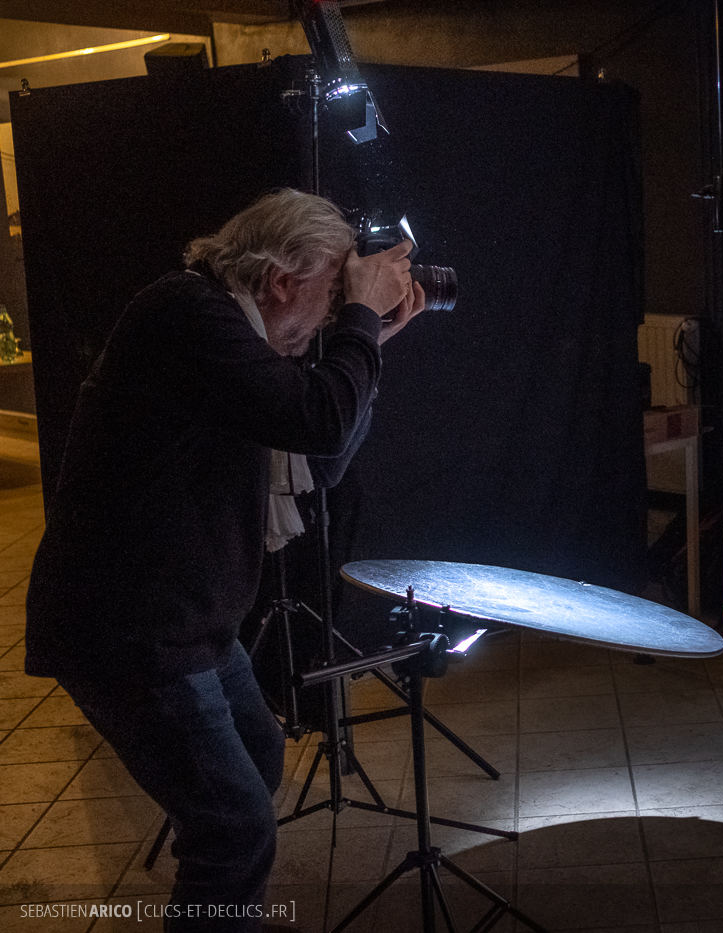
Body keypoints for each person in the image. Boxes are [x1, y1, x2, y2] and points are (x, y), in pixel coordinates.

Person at [24, 188, 425, 930]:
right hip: (129, 629)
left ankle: (219, 911)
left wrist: (372, 342)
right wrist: (361, 328)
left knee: (257, 756)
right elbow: (317, 417)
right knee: (234, 828)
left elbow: (323, 455)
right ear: (281, 281)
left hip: (186, 621)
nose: (333, 314)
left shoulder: (239, 342)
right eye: (332, 293)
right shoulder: (185, 312)